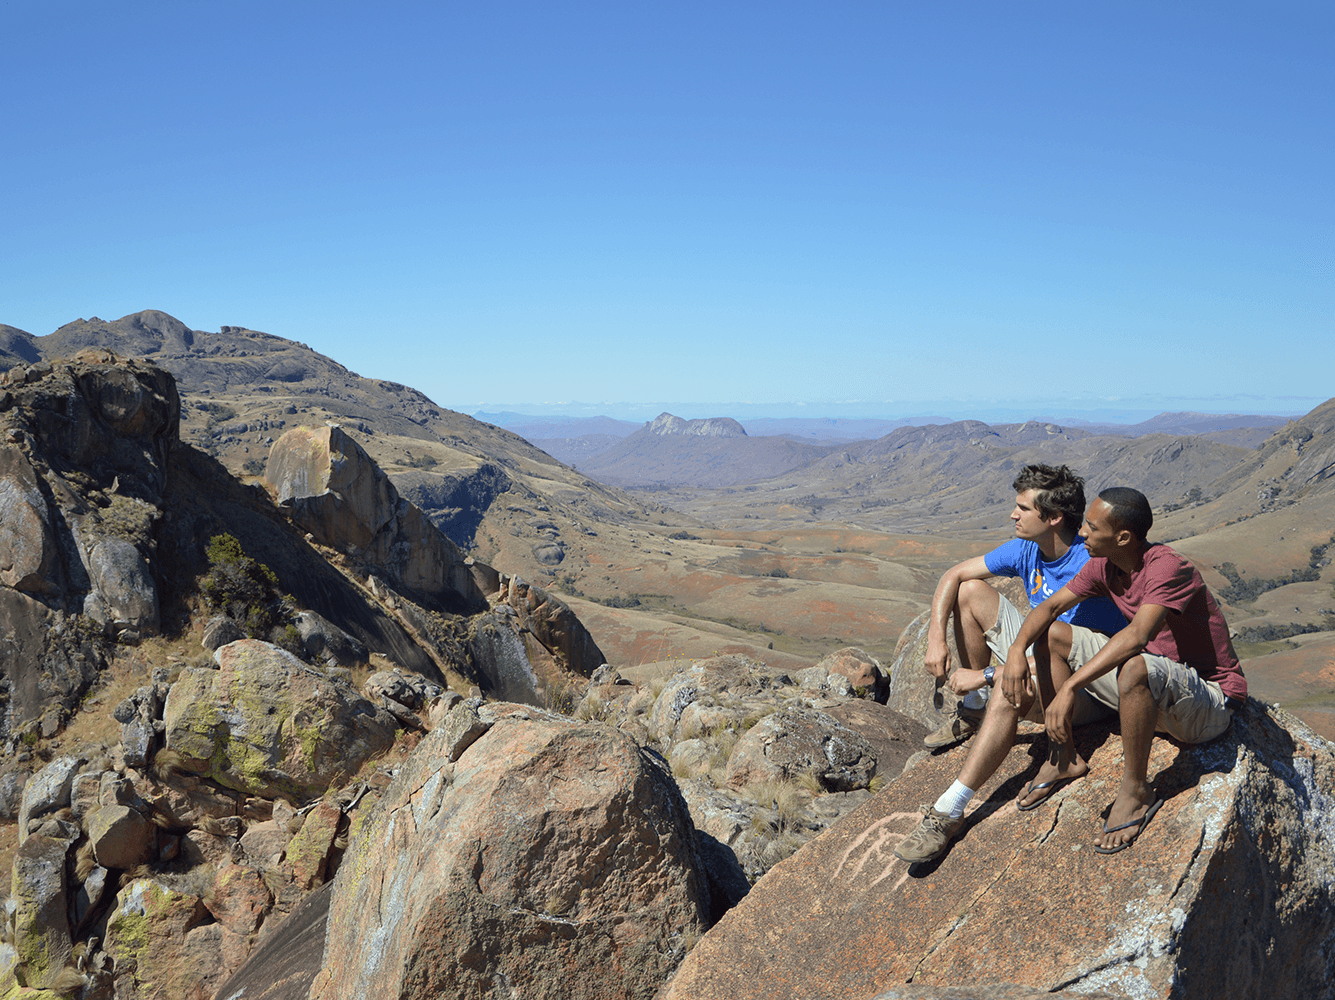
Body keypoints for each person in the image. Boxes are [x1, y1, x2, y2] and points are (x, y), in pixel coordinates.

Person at [896, 486, 1246, 863]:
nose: (1082, 534)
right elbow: (1050, 609)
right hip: (1143, 688)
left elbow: (1137, 636)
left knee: (1135, 664)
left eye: (1092, 528)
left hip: (1206, 702)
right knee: (1054, 634)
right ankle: (1063, 757)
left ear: (1123, 537)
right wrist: (1015, 653)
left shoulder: (1167, 567)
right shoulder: (1106, 565)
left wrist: (1070, 688)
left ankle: (1135, 791)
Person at [921, 464, 1127, 749]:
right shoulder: (1027, 548)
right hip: (1040, 655)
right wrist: (936, 638)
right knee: (968, 591)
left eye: (1023, 509)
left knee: (1019, 681)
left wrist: (986, 676)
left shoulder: (1091, 563)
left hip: (1085, 683)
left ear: (1054, 517)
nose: (1013, 515)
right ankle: (974, 709)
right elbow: (953, 575)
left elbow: (1073, 654)